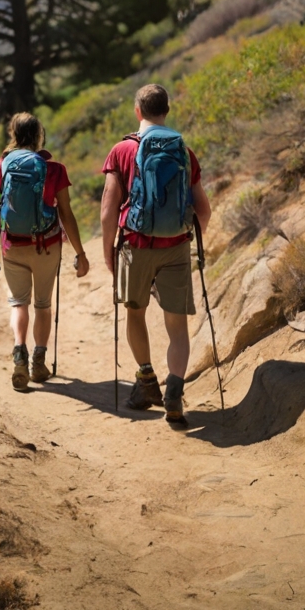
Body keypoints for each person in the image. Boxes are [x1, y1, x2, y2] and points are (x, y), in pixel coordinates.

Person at [100, 84, 212, 424]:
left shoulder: (121, 150)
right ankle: (174, 389)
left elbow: (108, 210)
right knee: (177, 326)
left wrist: (109, 251)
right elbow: (203, 209)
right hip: (175, 248)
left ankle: (147, 379)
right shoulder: (184, 151)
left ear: (138, 111)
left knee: (135, 314)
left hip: (135, 246)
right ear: (167, 110)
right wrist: (188, 238)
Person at [0, 112, 90, 391]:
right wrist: (80, 253)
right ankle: (39, 362)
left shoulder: (4, 164)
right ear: (39, 136)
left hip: (13, 244)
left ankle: (19, 352)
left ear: (13, 134)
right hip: (46, 245)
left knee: (19, 303)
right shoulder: (55, 169)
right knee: (43, 305)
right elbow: (67, 214)